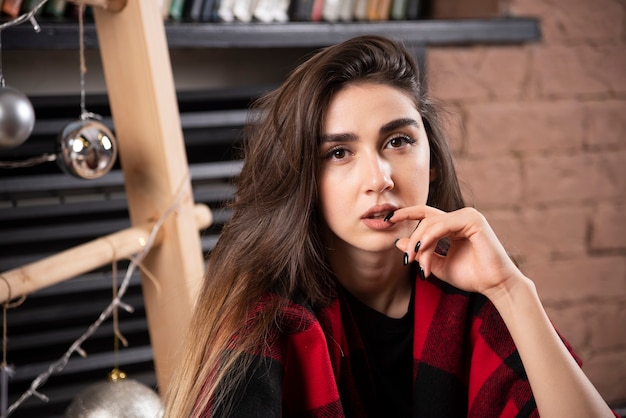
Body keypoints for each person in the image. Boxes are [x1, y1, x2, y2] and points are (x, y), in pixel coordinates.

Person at [164, 35, 617, 417]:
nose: (379, 179)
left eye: (398, 141)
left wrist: (512, 292)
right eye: (339, 153)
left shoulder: (476, 306)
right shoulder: (269, 324)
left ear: (432, 162)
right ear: (306, 178)